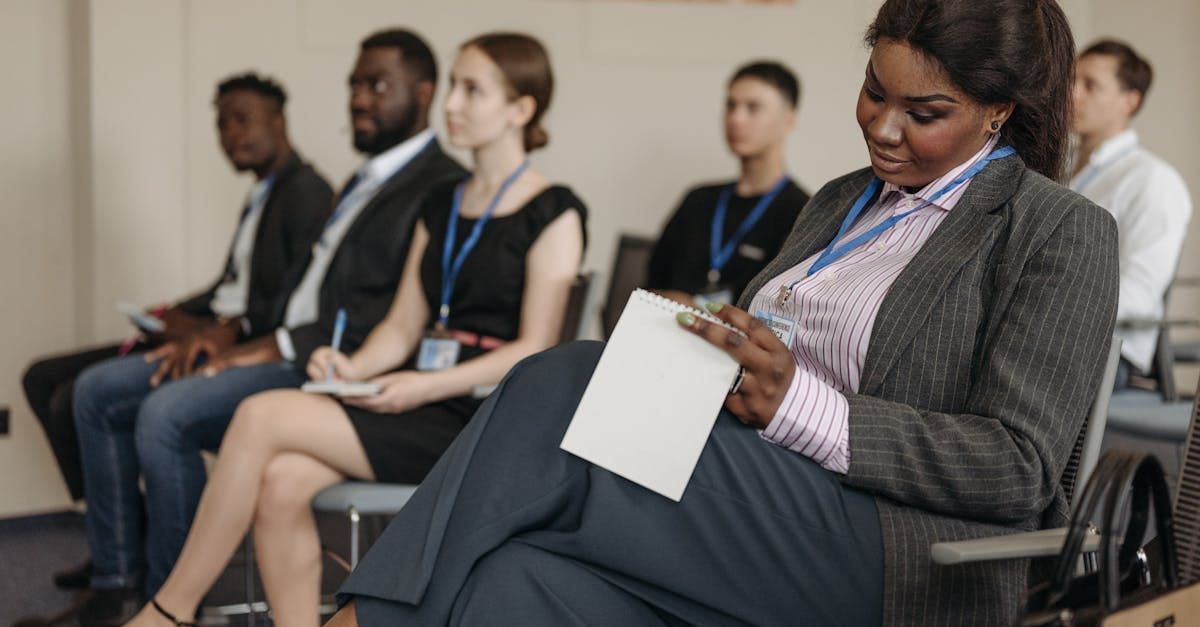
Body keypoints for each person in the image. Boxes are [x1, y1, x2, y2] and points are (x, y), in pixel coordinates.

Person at [327, 0, 1121, 625]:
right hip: (755, 492)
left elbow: (1019, 464)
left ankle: (366, 616)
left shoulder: (1057, 228)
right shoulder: (844, 200)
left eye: (924, 112)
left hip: (897, 545)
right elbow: (765, 354)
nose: (882, 127)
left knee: (563, 379)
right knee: (515, 580)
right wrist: (710, 344)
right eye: (874, 93)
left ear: (998, 113)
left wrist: (799, 405)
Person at [129, 32, 586, 627]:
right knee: (282, 480)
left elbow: (536, 349)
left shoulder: (555, 210)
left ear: (520, 110)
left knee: (259, 416)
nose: (450, 104)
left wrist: (418, 387)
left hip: (484, 419)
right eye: (453, 85)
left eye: (472, 90)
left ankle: (170, 610)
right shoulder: (442, 201)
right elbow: (400, 328)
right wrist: (352, 368)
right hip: (416, 396)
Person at [70, 29, 464, 624]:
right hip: (304, 350)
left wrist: (258, 349)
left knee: (167, 414)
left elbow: (377, 315)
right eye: (354, 84)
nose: (358, 98)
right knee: (99, 390)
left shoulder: (439, 186)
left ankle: (171, 600)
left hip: (335, 366)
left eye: (377, 85)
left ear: (426, 92)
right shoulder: (366, 179)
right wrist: (234, 334)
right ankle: (127, 578)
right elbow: (298, 290)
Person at [22, 71, 334, 592]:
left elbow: (289, 305)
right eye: (221, 125)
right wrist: (173, 312)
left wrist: (214, 328)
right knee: (43, 379)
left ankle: (123, 570)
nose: (231, 135)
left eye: (242, 121)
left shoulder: (307, 194)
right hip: (218, 328)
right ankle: (120, 537)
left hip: (252, 349)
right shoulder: (262, 194)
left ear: (278, 122)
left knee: (89, 395)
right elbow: (232, 284)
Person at [1069, 39, 1193, 388]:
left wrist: (1054, 305)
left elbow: (1140, 295)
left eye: (1090, 85)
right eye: (1071, 80)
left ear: (1130, 101)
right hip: (1053, 336)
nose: (1072, 93)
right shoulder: (1062, 174)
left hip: (1107, 352)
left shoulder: (1152, 179)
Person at [647, 61, 810, 307]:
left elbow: (780, 310)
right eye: (730, 105)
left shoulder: (802, 213)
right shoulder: (697, 200)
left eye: (753, 108)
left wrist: (698, 310)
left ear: (788, 121)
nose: (736, 118)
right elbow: (651, 285)